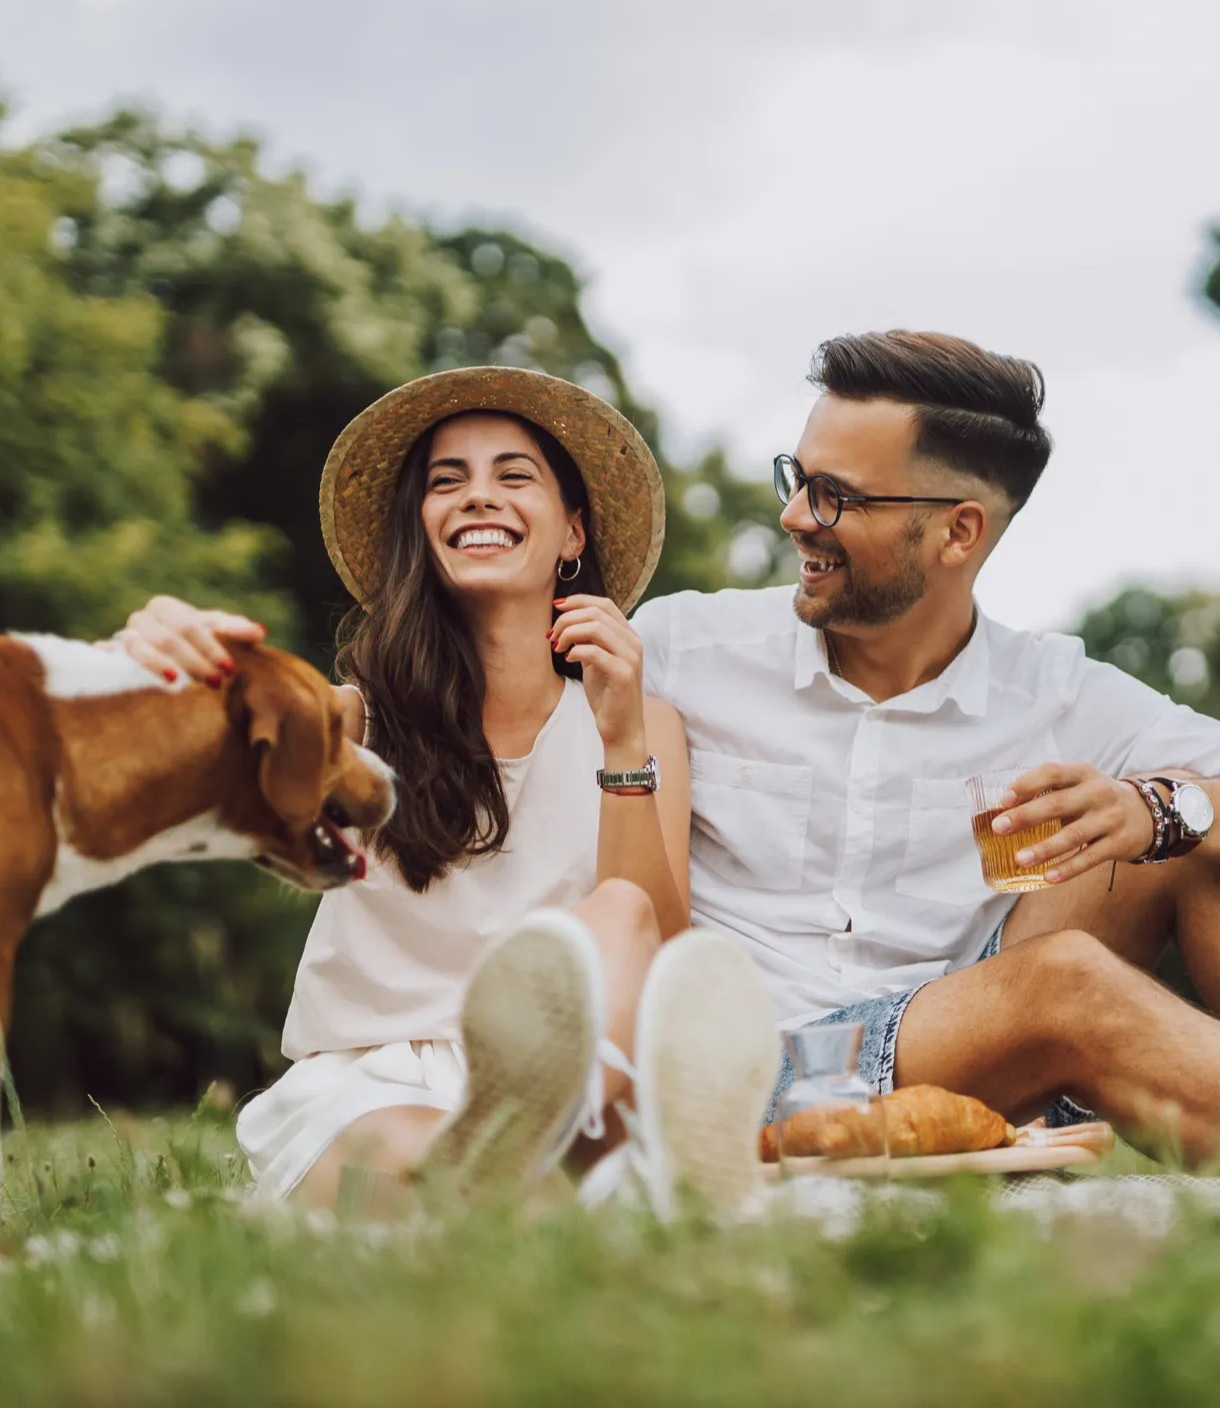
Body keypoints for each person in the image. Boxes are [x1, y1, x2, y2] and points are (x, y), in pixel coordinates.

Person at [123, 334, 1220, 1183]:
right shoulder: (698, 650)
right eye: (797, 477)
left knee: (1201, 846)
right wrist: (173, 652)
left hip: (946, 1026)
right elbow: (503, 703)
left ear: (955, 532)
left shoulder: (1053, 689)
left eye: (835, 496)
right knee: (1063, 987)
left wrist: (1156, 803)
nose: (795, 512)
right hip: (745, 1047)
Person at [175, 368, 781, 1214]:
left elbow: (658, 950)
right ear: (421, 530)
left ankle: (570, 1153)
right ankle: (599, 1179)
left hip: (582, 1078)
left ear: (573, 532)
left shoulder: (643, 729)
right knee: (444, 1169)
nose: (477, 498)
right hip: (377, 1086)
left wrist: (620, 743)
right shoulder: (359, 720)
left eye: (513, 475)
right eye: (446, 482)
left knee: (622, 912)